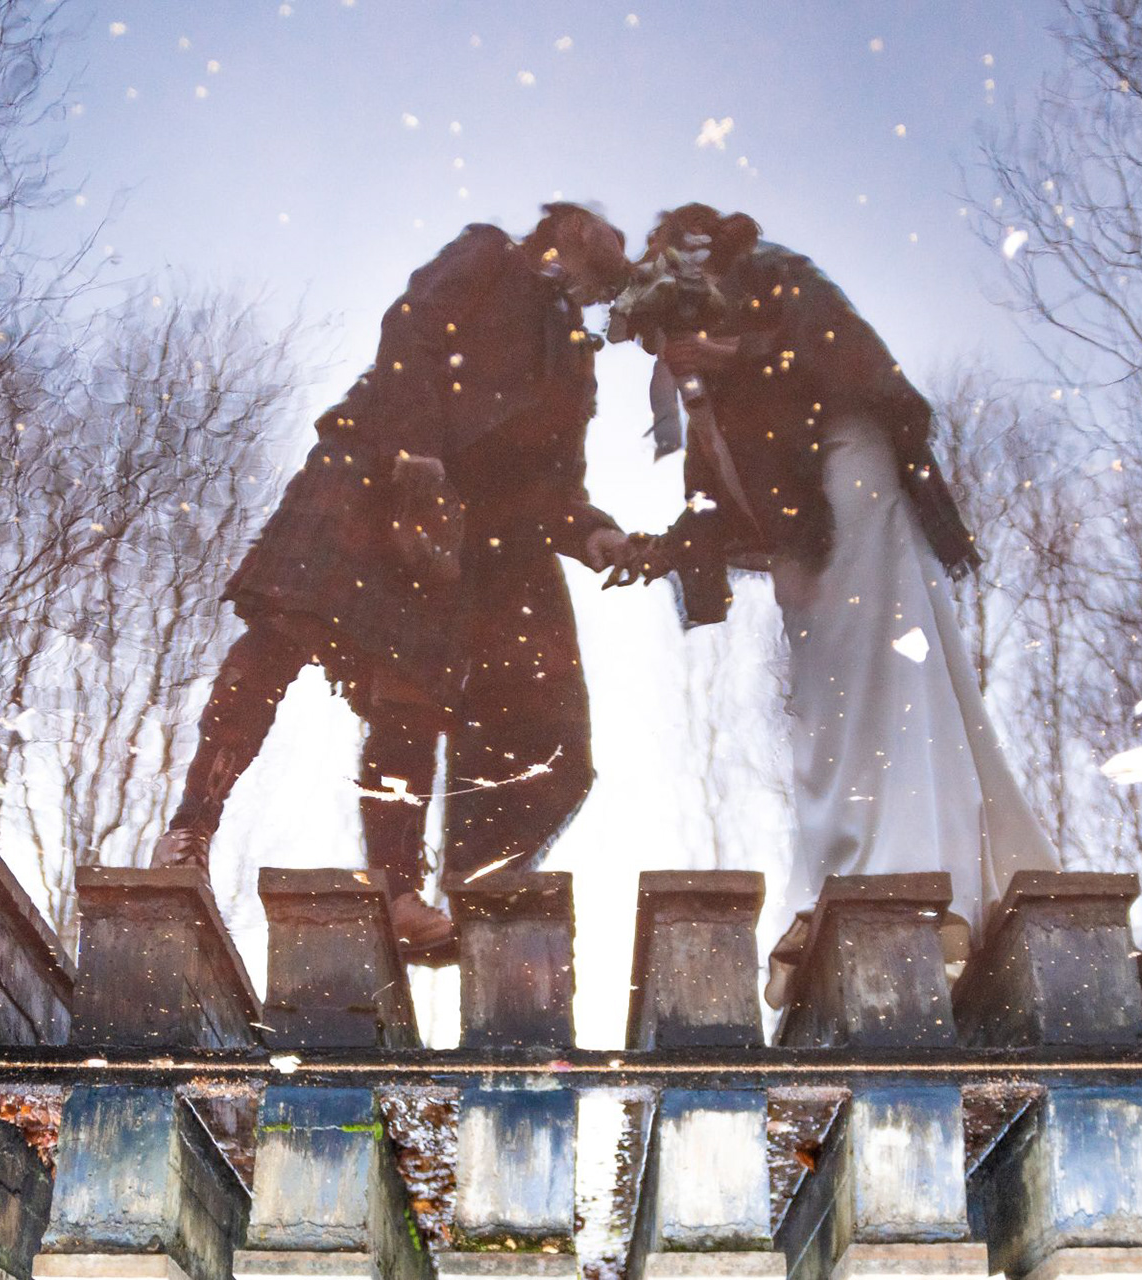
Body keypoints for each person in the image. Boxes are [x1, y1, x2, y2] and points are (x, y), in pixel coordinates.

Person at [151, 204, 632, 962]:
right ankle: (190, 828)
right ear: (565, 235)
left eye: (606, 288)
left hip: (445, 522)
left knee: (411, 695)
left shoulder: (573, 359)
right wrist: (417, 456)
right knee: (280, 637)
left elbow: (550, 486)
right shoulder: (488, 255)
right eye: (597, 268)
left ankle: (397, 887)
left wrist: (593, 530)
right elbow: (410, 324)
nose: (597, 291)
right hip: (373, 467)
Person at [607, 204, 1056, 1000]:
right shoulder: (706, 398)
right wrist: (659, 551)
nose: (667, 352)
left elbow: (841, 354)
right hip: (799, 539)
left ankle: (919, 878)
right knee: (824, 706)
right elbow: (721, 508)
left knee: (882, 678)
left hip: (847, 476)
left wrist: (731, 351)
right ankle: (841, 887)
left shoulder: (773, 277)